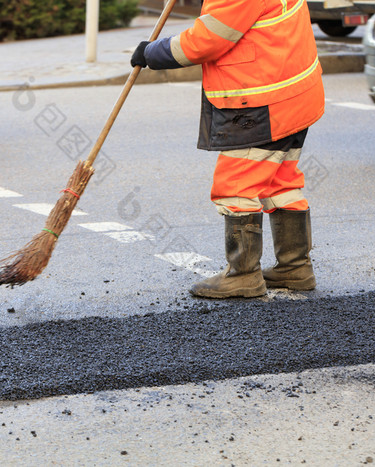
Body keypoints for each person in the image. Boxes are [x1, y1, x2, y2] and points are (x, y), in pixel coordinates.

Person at [131, 0, 325, 298]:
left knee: (236, 186)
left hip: (261, 100)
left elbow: (207, 39)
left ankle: (244, 275)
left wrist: (152, 52)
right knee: (279, 182)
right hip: (293, 92)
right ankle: (294, 267)